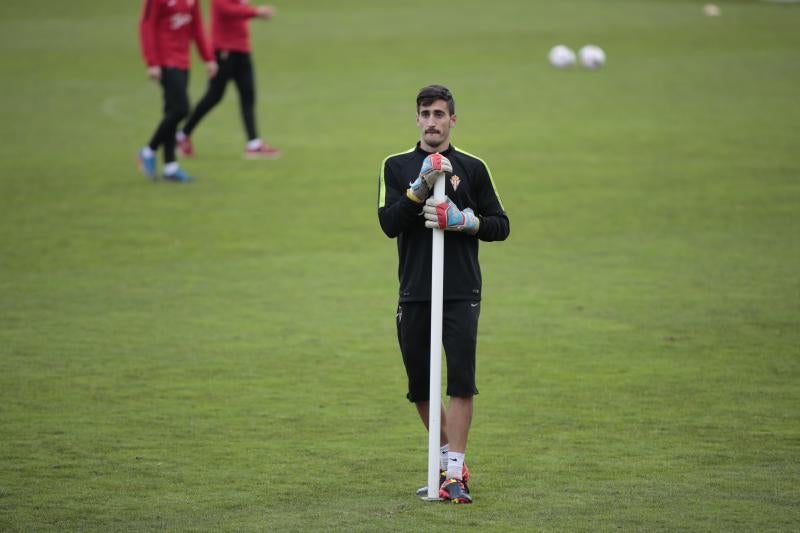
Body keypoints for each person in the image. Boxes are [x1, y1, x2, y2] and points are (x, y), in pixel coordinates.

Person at [377, 85, 510, 503]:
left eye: (439, 114)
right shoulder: (396, 166)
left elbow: (500, 225)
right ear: (416, 119)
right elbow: (389, 223)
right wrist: (418, 190)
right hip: (415, 290)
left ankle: (453, 474)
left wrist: (463, 221)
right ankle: (450, 462)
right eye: (425, 114)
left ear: (453, 119)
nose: (432, 121)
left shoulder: (473, 167)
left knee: (461, 383)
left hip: (460, 288)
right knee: (420, 386)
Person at [175, 0, 281, 160]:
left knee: (248, 95)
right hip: (224, 50)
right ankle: (183, 134)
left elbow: (239, 9)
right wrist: (256, 12)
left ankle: (253, 144)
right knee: (214, 96)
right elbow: (226, 9)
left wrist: (256, 13)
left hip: (242, 49)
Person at [137, 0, 217, 182]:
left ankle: (170, 167)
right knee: (181, 109)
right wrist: (152, 62)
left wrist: (208, 58)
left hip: (183, 61)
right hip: (165, 61)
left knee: (171, 111)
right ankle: (148, 150)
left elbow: (197, 27)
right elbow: (147, 26)